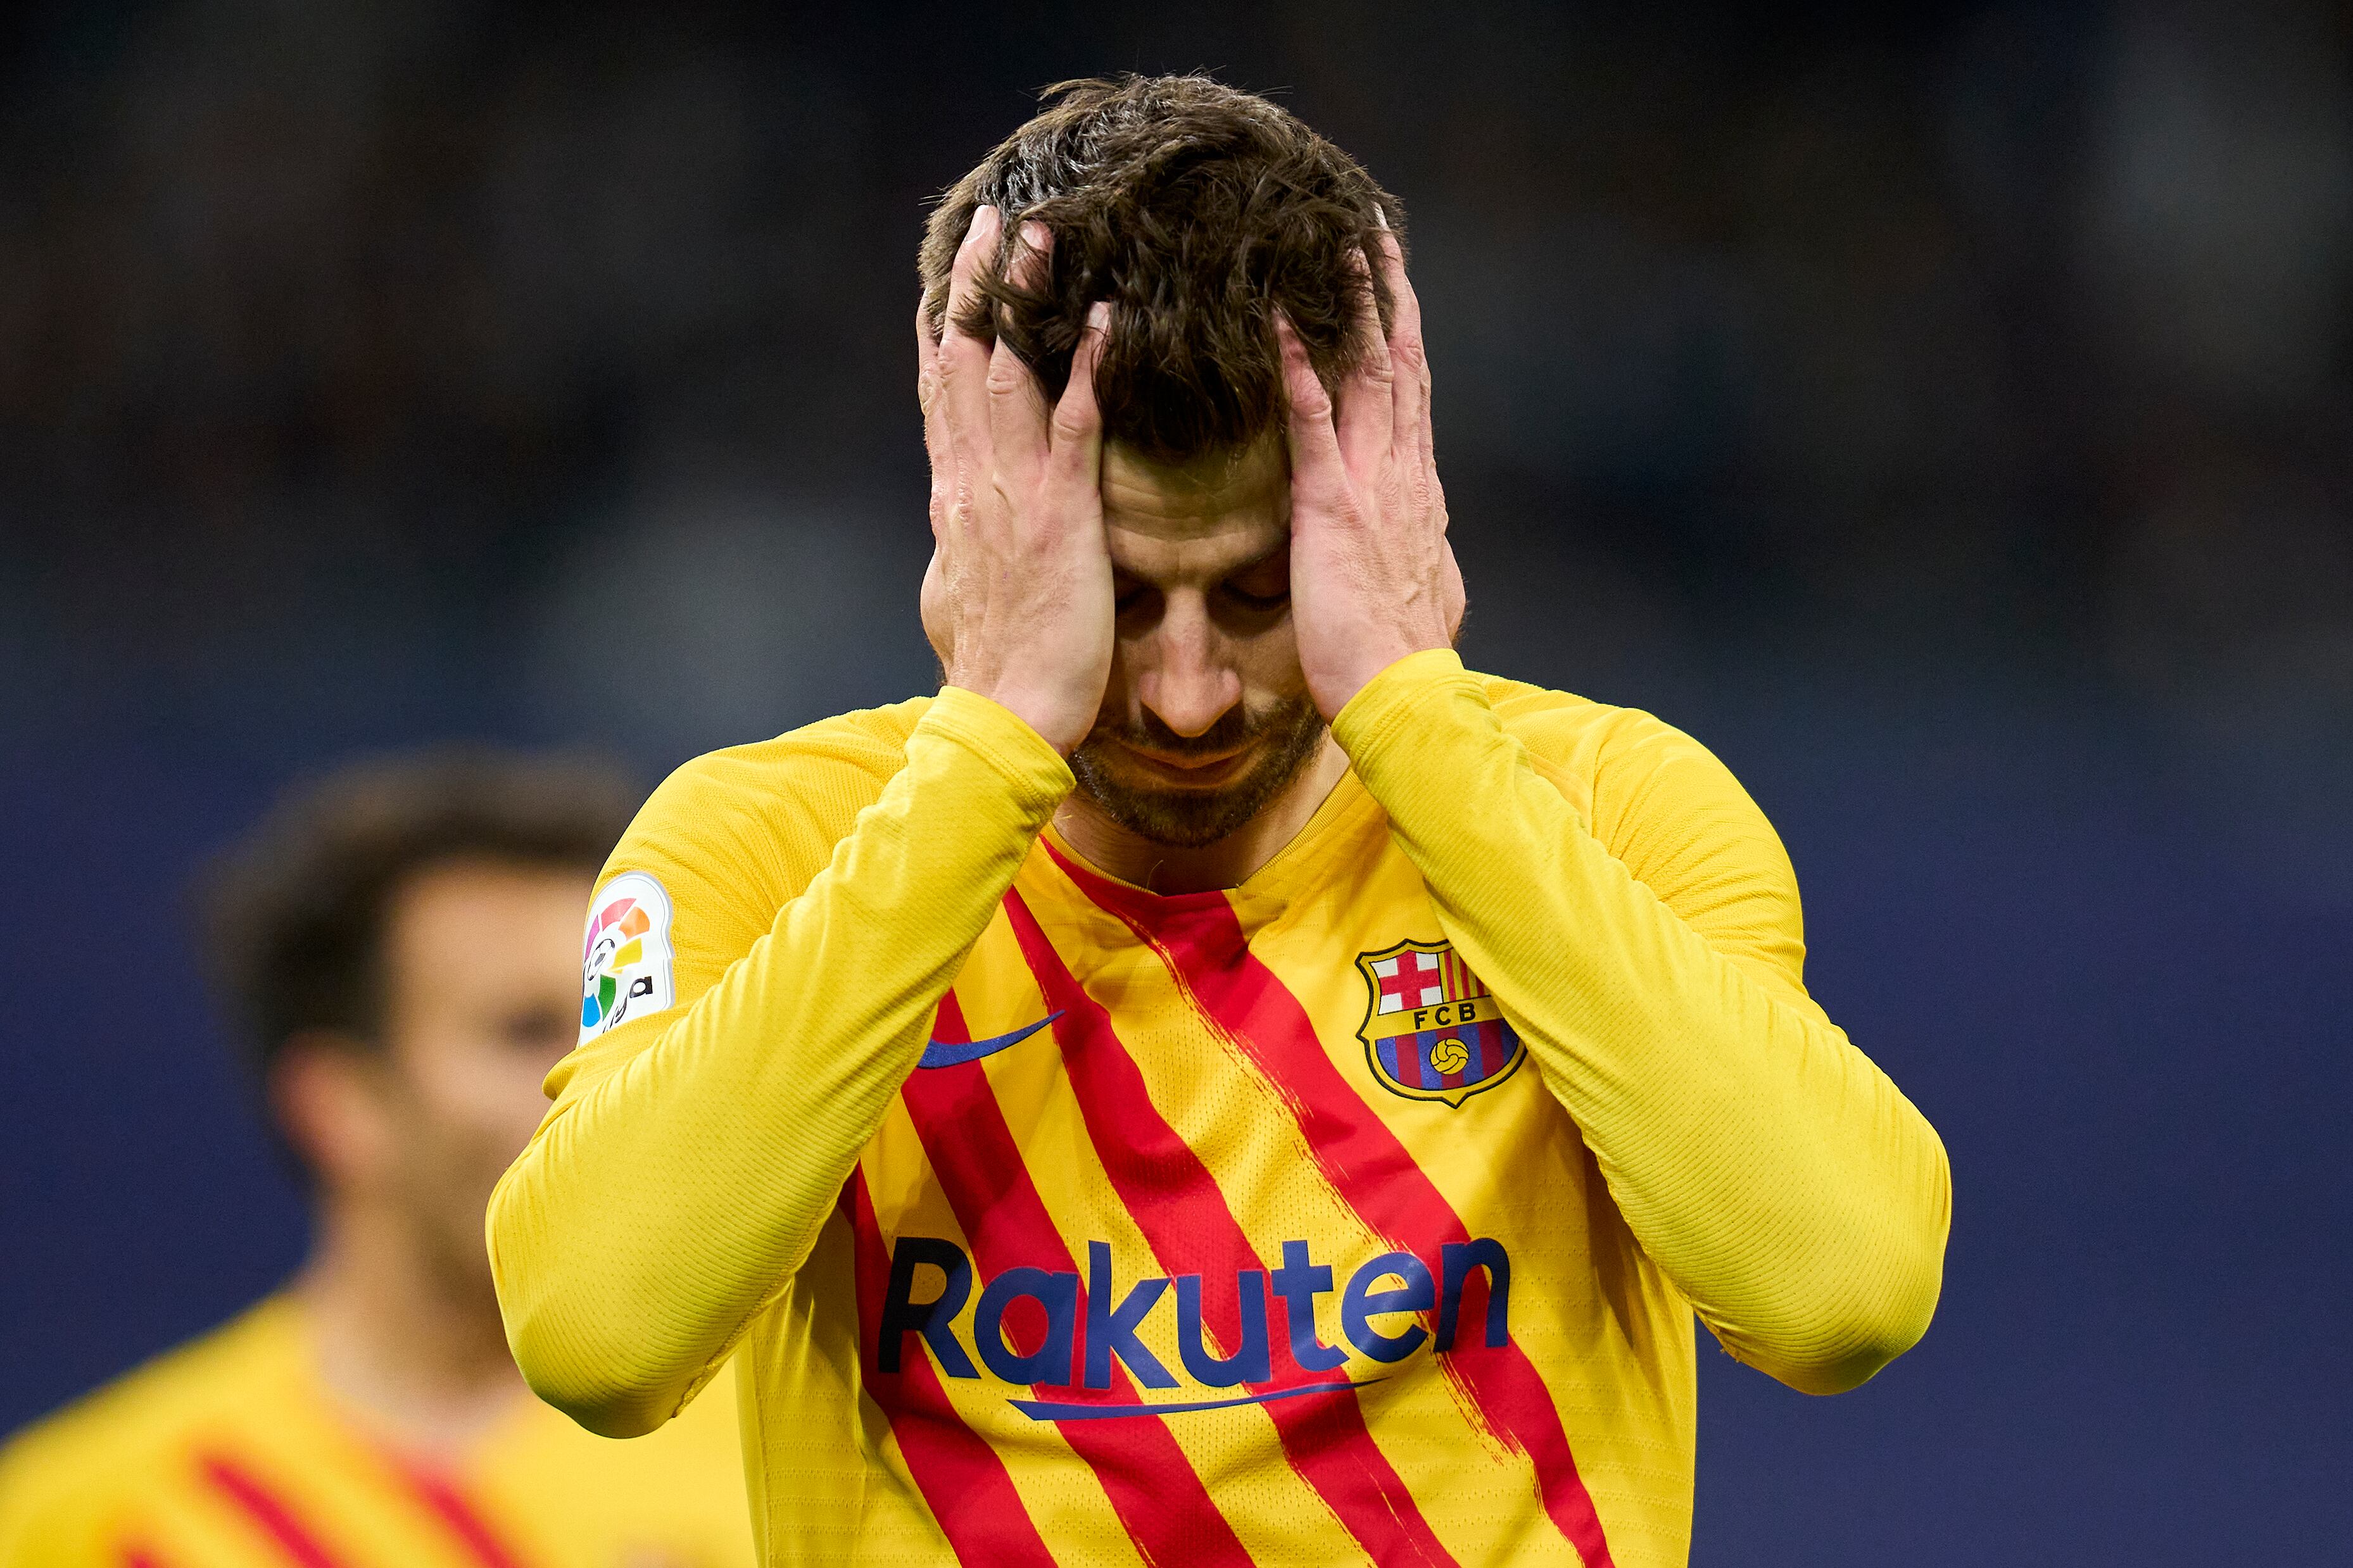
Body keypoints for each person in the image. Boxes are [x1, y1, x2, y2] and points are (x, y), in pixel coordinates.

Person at [488, 75, 1952, 1567]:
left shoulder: (1602, 803)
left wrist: (1406, 704)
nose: (1188, 695)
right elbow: (598, 1332)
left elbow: (1838, 1291)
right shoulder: (770, 839)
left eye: (1256, 593)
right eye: (1115, 600)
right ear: (972, 517)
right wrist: (990, 739)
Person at [0, 754, 756, 1568]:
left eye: (629, 1017)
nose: (610, 1075)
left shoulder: (803, 1446)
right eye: (526, 1029)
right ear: (342, 1103)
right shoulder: (87, 1520)